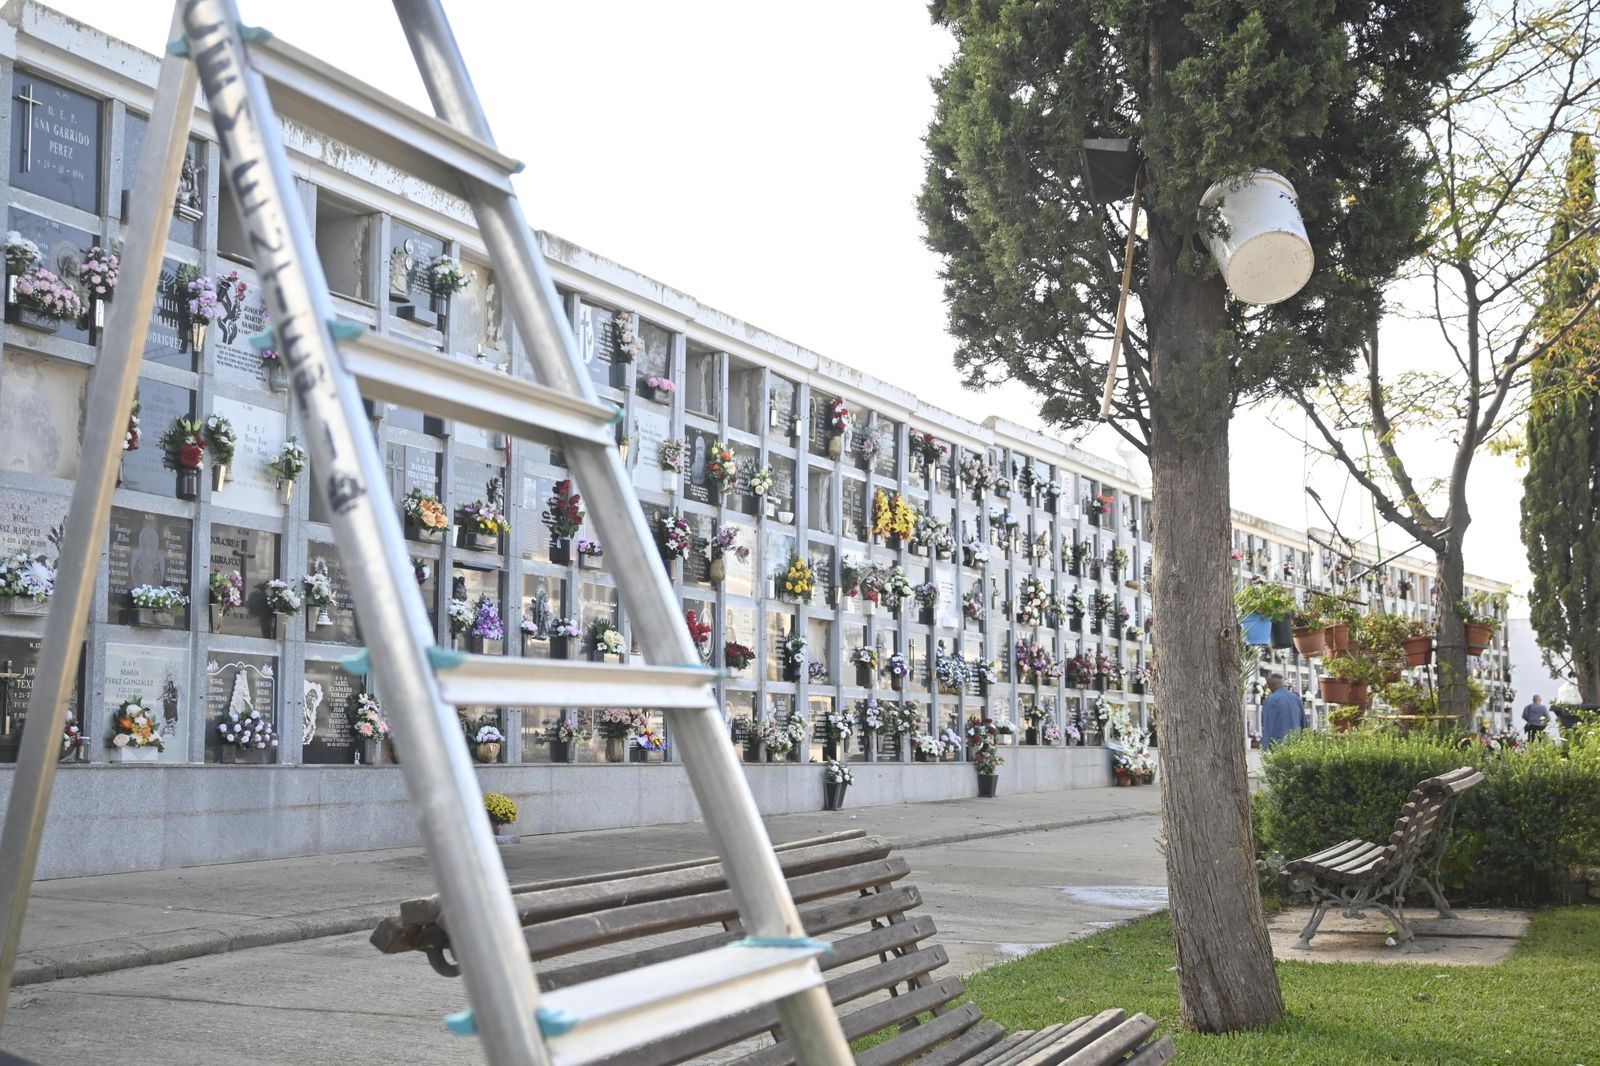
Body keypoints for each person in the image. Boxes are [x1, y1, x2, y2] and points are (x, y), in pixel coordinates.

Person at [1261, 672, 1304, 749]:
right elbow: (1303, 723)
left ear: (1273, 685)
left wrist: (1264, 746)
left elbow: (1266, 723)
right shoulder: (1296, 699)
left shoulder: (1270, 700)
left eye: (1269, 686)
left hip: (1277, 744)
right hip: (1296, 743)